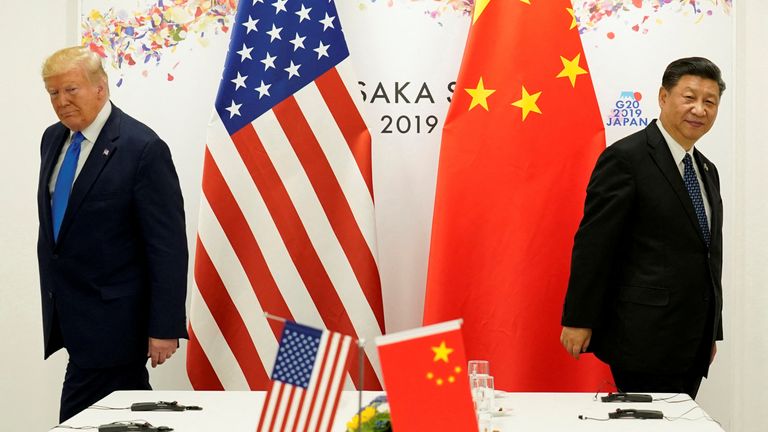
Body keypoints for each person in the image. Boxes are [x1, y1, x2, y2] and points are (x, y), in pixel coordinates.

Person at [37, 46, 189, 422]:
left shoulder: (142, 148)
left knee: (80, 420)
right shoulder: (52, 139)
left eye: (71, 89)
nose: (61, 101)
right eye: (54, 93)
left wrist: (165, 327)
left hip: (117, 320)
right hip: (73, 314)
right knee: (124, 416)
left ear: (101, 88)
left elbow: (167, 246)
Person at [560, 57, 725, 399]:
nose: (699, 109)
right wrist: (578, 318)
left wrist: (711, 331)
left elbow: (708, 254)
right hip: (643, 335)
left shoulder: (706, 169)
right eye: (689, 97)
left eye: (709, 102)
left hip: (692, 340)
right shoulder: (626, 158)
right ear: (663, 97)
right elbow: (594, 244)